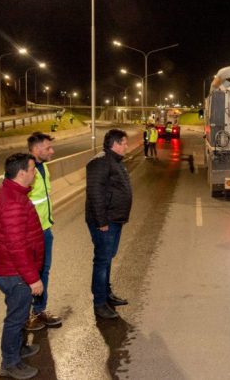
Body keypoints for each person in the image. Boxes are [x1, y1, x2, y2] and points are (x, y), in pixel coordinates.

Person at [0, 153, 45, 379]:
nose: (35, 173)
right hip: (16, 274)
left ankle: (18, 349)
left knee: (20, 314)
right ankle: (9, 363)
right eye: (32, 169)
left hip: (15, 271)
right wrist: (32, 278)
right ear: (22, 173)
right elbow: (16, 246)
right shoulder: (13, 202)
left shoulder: (13, 193)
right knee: (15, 319)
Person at [85, 129, 133, 319]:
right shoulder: (101, 162)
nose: (126, 146)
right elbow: (95, 193)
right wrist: (102, 221)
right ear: (115, 143)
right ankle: (99, 303)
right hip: (105, 222)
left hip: (114, 219)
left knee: (107, 258)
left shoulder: (114, 161)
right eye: (124, 142)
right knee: (102, 260)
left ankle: (106, 294)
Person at [25, 132, 62, 330]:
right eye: (48, 148)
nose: (52, 151)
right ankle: (24, 317)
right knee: (28, 275)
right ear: (36, 149)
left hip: (45, 229)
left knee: (43, 272)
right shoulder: (24, 170)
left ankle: (39, 310)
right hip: (31, 233)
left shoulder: (43, 167)